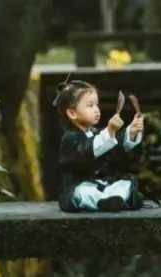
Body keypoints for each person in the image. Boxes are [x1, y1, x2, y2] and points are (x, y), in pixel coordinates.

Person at [52, 76, 146, 212]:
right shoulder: (70, 137)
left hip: (102, 183)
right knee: (82, 193)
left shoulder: (97, 132)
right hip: (79, 184)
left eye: (97, 104)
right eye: (90, 105)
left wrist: (130, 133)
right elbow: (87, 151)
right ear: (72, 113)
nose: (96, 109)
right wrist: (110, 131)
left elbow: (113, 149)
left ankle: (114, 200)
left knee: (124, 184)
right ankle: (105, 201)